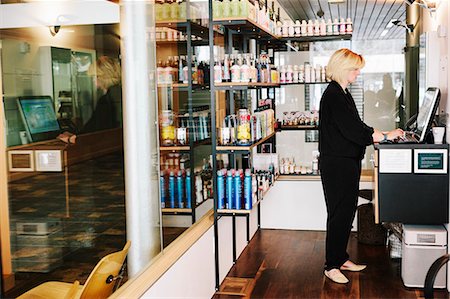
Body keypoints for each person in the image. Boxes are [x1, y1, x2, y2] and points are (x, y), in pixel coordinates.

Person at [319, 48, 404, 284]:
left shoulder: (343, 93)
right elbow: (354, 130)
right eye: (355, 69)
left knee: (346, 213)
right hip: (337, 165)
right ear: (343, 69)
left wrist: (382, 134)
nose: (358, 73)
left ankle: (341, 257)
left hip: (346, 162)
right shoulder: (334, 95)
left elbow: (357, 125)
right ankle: (331, 265)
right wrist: (385, 135)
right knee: (338, 214)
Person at [58, 56, 122, 143]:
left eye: (94, 76)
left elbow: (96, 133)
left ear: (102, 76)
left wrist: (70, 139)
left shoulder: (106, 101)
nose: (93, 80)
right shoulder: (121, 95)